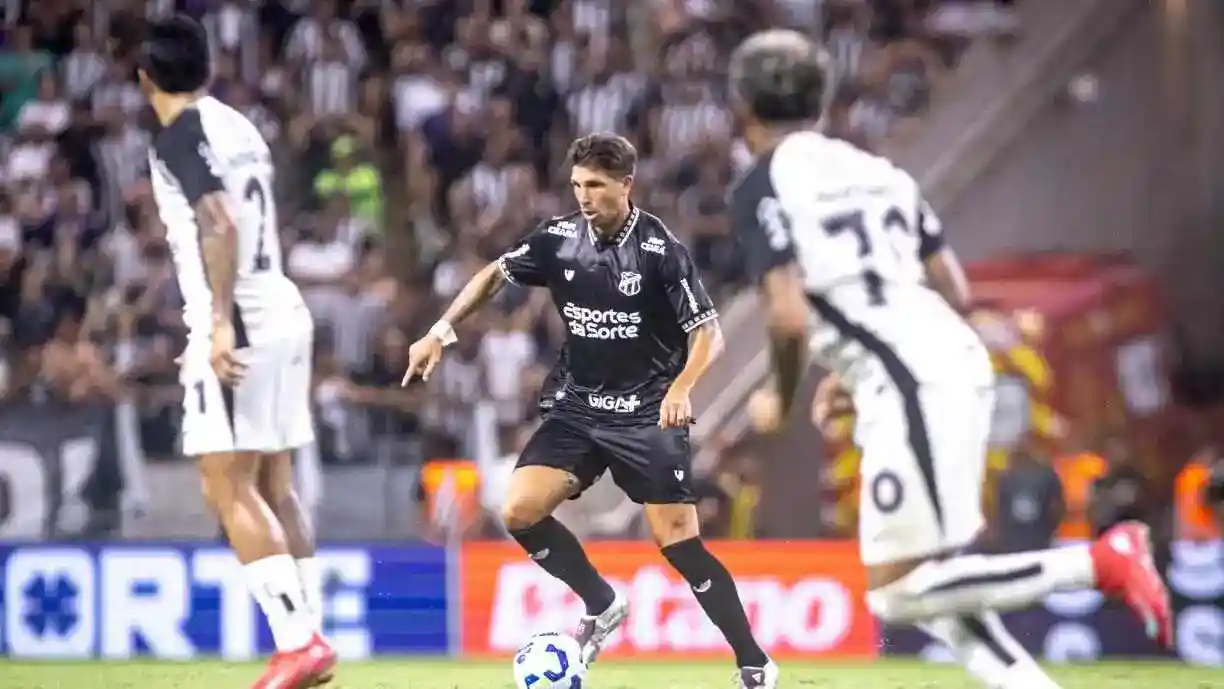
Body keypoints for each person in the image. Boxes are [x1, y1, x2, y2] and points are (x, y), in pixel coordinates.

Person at [728, 29, 1171, 689]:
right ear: (822, 102)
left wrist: (784, 395)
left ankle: (1100, 561)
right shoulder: (882, 173)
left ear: (741, 108)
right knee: (931, 585)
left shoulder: (762, 183)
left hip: (911, 378)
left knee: (897, 594)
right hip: (942, 360)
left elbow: (788, 311)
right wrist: (866, 362)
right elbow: (953, 287)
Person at [402, 133, 779, 689]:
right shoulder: (557, 240)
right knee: (520, 510)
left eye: (596, 186)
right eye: (577, 184)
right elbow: (492, 276)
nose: (583, 196)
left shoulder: (660, 250)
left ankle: (753, 662)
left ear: (626, 185)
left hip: (648, 412)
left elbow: (708, 334)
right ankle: (601, 604)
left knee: (679, 543)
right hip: (578, 409)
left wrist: (681, 388)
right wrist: (440, 331)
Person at [139, 16, 334, 689]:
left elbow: (217, 219)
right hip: (281, 306)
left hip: (242, 316)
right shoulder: (240, 126)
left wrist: (217, 323)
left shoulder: (178, 134)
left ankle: (295, 642)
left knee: (227, 483)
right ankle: (309, 635)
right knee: (275, 483)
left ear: (144, 79)